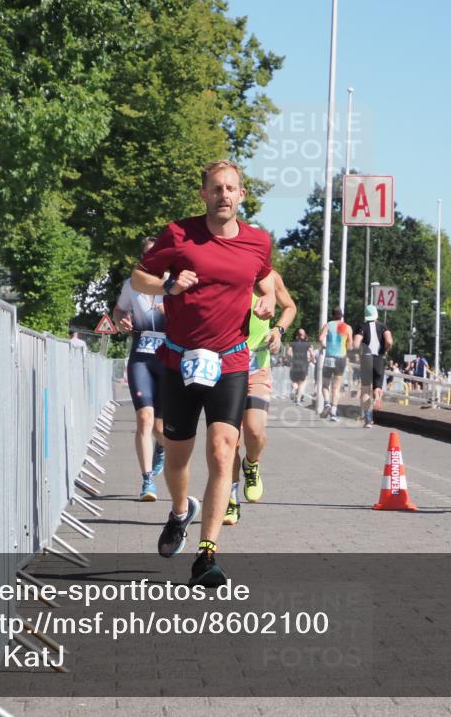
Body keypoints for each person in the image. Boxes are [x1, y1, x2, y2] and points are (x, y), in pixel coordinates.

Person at [131, 160, 275, 586]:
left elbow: (265, 284)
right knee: (176, 455)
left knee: (221, 451)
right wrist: (168, 287)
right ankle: (180, 511)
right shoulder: (178, 234)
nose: (224, 195)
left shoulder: (258, 242)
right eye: (216, 189)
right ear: (204, 194)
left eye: (231, 189)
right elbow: (140, 278)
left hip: (231, 360)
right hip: (179, 359)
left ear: (241, 195)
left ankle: (207, 554)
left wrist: (266, 305)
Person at [223, 270, 297, 525]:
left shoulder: (271, 278)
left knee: (254, 431)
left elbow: (289, 307)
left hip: (257, 367)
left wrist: (278, 330)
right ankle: (230, 500)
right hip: (226, 366)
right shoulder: (225, 272)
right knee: (229, 440)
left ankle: (251, 464)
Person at [114, 237, 167, 501]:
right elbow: (119, 310)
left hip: (169, 360)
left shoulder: (175, 285)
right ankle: (147, 481)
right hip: (141, 358)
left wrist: (171, 307)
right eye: (148, 256)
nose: (152, 260)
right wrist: (121, 319)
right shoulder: (132, 284)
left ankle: (162, 448)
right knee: (144, 419)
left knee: (162, 427)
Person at [354, 304, 393, 428]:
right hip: (378, 359)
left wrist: (358, 352)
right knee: (377, 387)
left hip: (366, 359)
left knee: (365, 389)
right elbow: (389, 341)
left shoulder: (362, 326)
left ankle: (368, 418)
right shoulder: (383, 327)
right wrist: (386, 350)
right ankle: (377, 397)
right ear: (376, 315)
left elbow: (355, 344)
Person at [319, 309, 352, 422]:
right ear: (342, 316)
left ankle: (327, 403)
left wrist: (324, 346)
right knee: (336, 387)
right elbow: (350, 345)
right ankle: (333, 412)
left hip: (329, 357)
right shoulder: (347, 327)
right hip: (341, 358)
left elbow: (320, 338)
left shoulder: (328, 325)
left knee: (325, 384)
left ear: (332, 315)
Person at [289, 328, 314, 405]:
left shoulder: (293, 343)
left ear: (297, 335)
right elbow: (312, 353)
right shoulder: (307, 343)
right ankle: (298, 400)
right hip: (304, 364)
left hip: (295, 363)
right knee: (302, 382)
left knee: (294, 381)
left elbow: (288, 353)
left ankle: (294, 388)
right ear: (304, 335)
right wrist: (312, 360)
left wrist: (291, 359)